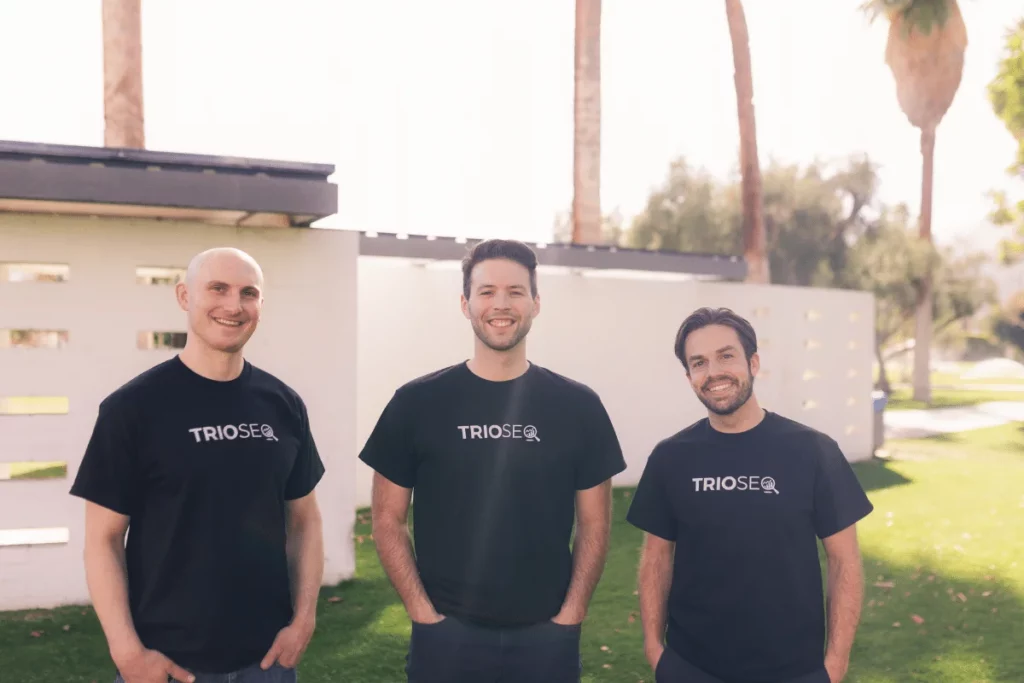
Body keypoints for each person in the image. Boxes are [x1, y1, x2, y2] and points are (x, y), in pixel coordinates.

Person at [359, 238, 627, 683]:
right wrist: (422, 613)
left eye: (515, 291)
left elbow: (596, 523)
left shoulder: (578, 406)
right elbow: (387, 520)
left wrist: (572, 614)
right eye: (486, 292)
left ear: (536, 303)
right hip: (445, 637)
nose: (500, 304)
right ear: (465, 304)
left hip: (547, 639)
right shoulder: (416, 402)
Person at [70, 247, 326, 683]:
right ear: (184, 297)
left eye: (249, 293)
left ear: (260, 306)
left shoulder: (283, 404)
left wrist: (304, 619)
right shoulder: (132, 409)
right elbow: (103, 541)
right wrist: (128, 654)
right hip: (167, 664)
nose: (233, 305)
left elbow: (304, 520)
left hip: (267, 662)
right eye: (218, 289)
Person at [626, 307, 873, 683]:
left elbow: (845, 563)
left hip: (795, 670)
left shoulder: (813, 451)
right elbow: (655, 559)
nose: (714, 373)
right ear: (689, 375)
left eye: (726, 356)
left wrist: (834, 665)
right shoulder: (670, 457)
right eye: (699, 362)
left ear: (753, 362)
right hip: (692, 668)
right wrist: (654, 650)